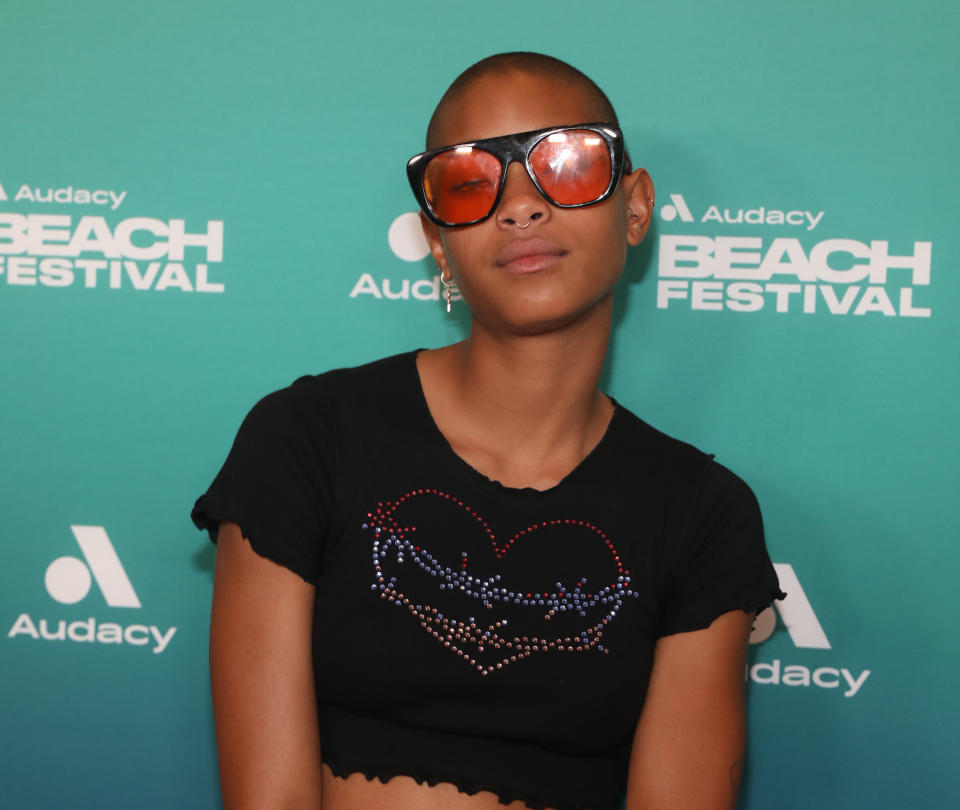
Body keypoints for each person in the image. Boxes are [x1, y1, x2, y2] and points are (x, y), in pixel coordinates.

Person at [192, 52, 784, 810]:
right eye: (470, 183)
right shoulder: (309, 438)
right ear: (437, 240)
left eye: (566, 165)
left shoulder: (702, 513)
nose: (521, 206)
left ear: (635, 208)